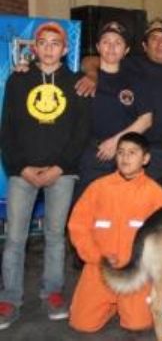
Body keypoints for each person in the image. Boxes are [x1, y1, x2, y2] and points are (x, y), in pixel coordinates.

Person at [0, 21, 90, 329]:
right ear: (34, 48)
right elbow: (7, 129)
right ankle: (10, 298)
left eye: (56, 43)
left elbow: (81, 132)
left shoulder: (78, 82)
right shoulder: (17, 81)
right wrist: (21, 167)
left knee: (54, 236)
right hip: (21, 172)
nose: (49, 48)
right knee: (14, 238)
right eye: (43, 42)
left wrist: (59, 168)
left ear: (65, 50)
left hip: (61, 173)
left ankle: (52, 292)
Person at [67, 132, 162, 332]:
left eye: (132, 153)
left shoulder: (155, 193)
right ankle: (105, 303)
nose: (125, 157)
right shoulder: (98, 188)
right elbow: (77, 226)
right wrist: (97, 257)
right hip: (100, 269)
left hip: (135, 274)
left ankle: (126, 305)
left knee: (139, 324)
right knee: (82, 324)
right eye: (121, 152)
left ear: (145, 159)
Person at [76, 21, 153, 198]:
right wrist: (25, 68)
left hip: (126, 155)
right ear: (97, 46)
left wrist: (115, 142)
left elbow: (146, 119)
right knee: (88, 206)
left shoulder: (136, 79)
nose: (111, 47)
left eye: (118, 43)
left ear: (126, 50)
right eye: (106, 42)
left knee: (125, 207)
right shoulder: (84, 79)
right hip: (92, 155)